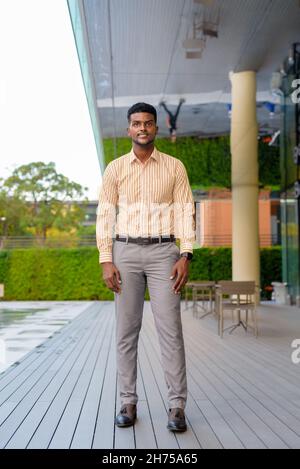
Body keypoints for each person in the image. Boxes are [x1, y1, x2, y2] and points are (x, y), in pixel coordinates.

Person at [96, 102, 195, 432]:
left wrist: (186, 254)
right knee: (126, 332)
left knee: (171, 331)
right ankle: (128, 401)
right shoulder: (115, 169)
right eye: (136, 123)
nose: (142, 128)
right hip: (124, 252)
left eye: (148, 123)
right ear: (129, 129)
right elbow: (105, 217)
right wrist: (106, 258)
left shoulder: (174, 167)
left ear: (156, 129)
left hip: (164, 252)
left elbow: (185, 211)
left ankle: (177, 407)